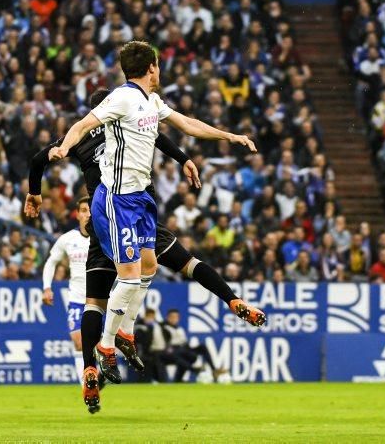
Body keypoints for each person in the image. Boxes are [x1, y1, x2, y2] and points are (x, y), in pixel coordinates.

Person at [26, 87, 265, 413]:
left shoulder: (84, 134)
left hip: (104, 219)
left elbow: (38, 159)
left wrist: (35, 194)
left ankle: (91, 366)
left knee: (96, 299)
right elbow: (161, 137)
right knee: (183, 263)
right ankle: (227, 300)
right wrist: (185, 158)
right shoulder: (130, 122)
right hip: (130, 211)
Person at [41, 196, 91, 384]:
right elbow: (51, 262)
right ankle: (86, 388)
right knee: (78, 342)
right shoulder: (68, 239)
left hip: (102, 300)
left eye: (91, 210)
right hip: (77, 299)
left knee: (99, 346)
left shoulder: (105, 238)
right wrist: (47, 288)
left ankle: (96, 377)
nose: (88, 214)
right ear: (77, 214)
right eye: (84, 210)